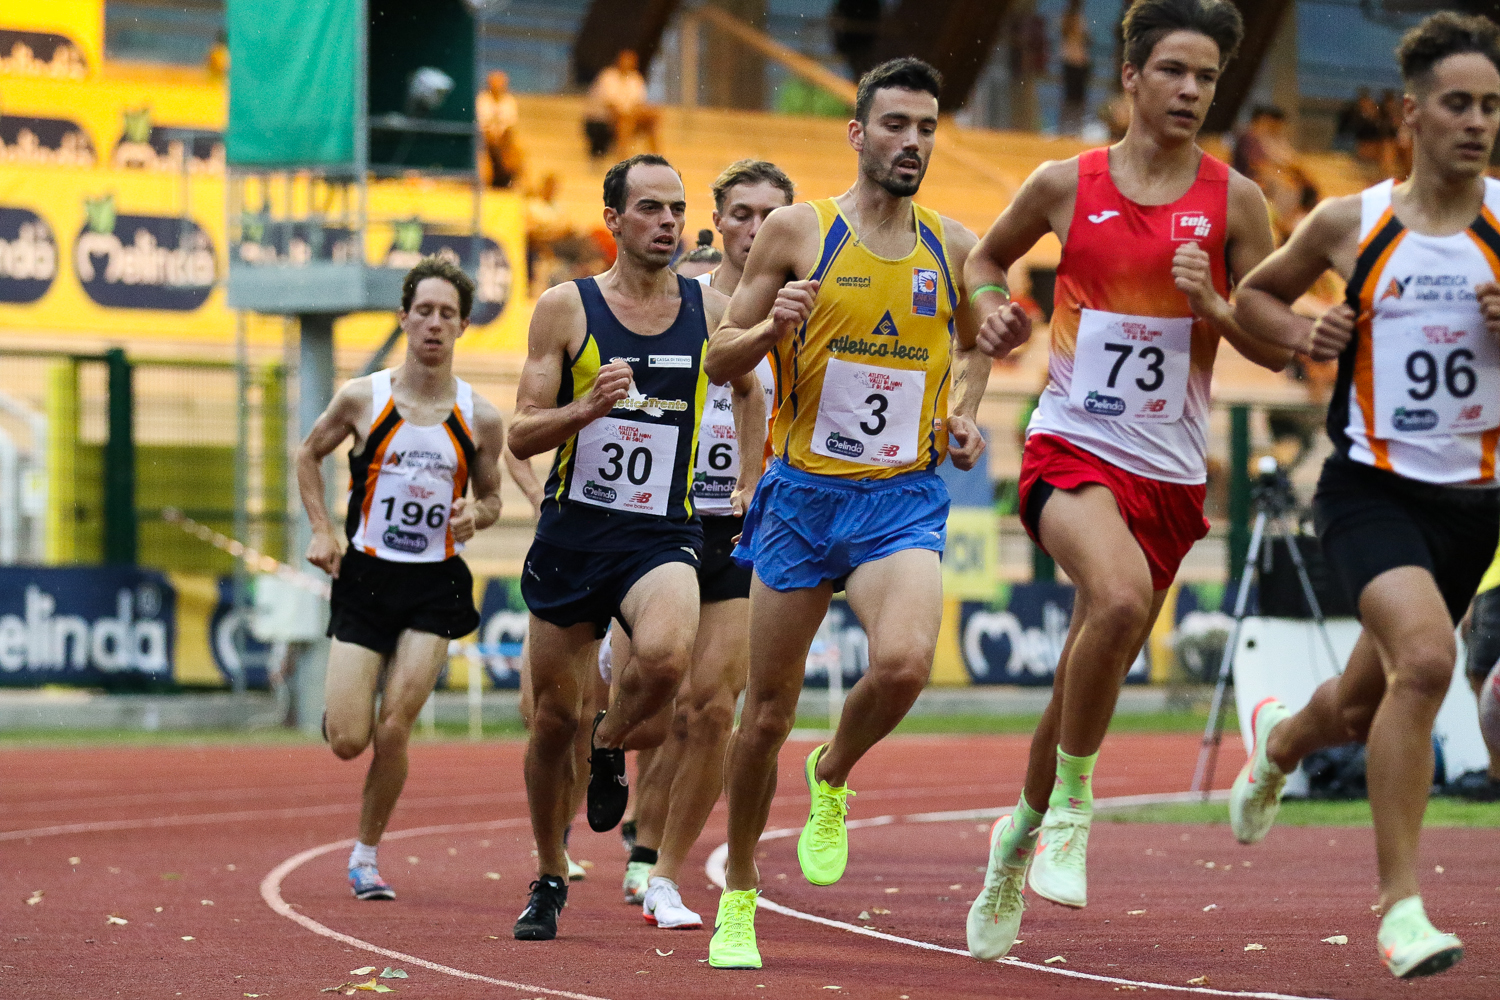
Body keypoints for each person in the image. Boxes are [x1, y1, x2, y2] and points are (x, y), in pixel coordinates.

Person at [960, 0, 1288, 963]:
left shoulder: (1237, 203)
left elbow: (1274, 348)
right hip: (1071, 443)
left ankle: (1015, 841)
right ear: (1132, 76)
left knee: (1085, 665)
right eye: (1174, 72)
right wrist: (991, 309)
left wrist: (1213, 303)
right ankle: (1072, 808)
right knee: (1114, 599)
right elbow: (985, 259)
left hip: (1170, 477)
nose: (1191, 91)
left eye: (1207, 79)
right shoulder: (1066, 183)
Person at [703, 58, 996, 970]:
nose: (913, 142)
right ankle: (740, 896)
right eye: (896, 124)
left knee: (903, 665)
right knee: (764, 718)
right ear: (858, 133)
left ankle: (832, 772)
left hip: (899, 499)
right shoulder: (799, 231)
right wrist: (771, 329)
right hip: (801, 496)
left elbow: (977, 345)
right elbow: (719, 358)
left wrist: (965, 414)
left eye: (927, 127)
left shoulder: (954, 246)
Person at [1229, 11, 1500, 979]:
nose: (1478, 122)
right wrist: (1302, 333)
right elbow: (1255, 295)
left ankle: (1279, 743)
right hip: (1370, 488)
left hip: (1476, 502)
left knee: (1358, 704)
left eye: (1492, 105)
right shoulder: (1353, 222)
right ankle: (1401, 909)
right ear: (1411, 113)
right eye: (1459, 103)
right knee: (1424, 661)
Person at [507, 153, 760, 942]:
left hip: (662, 533)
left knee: (667, 654)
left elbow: (750, 391)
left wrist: (749, 480)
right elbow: (520, 432)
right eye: (650, 208)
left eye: (677, 209)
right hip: (575, 534)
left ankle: (610, 741)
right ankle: (550, 872)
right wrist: (583, 410)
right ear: (613, 219)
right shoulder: (566, 309)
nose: (668, 222)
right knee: (552, 721)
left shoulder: (710, 310)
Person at [295, 257, 505, 901]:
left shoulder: (479, 416)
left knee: (395, 726)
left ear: (463, 326)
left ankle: (365, 855)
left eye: (447, 314)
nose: (434, 324)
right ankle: (343, 712)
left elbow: (493, 499)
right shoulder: (364, 398)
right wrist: (322, 530)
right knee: (348, 740)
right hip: (366, 577)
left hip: (435, 584)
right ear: (405, 318)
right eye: (424, 311)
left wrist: (476, 515)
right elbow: (308, 454)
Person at [619, 159, 791, 930]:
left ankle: (659, 867)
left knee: (710, 707)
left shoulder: (807, 309)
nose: (756, 229)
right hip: (657, 521)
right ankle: (631, 805)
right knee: (654, 703)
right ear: (715, 222)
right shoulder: (678, 299)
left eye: (772, 216)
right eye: (742, 214)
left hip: (747, 524)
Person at [1454, 548, 1500, 800]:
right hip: (1486, 585)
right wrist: (1469, 602)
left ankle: (1497, 775)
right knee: (1479, 675)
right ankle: (1496, 772)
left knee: (1488, 677)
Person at [583, 50, 661, 160]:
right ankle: (623, 156)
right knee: (624, 120)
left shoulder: (635, 79)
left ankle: (656, 157)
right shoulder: (608, 76)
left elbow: (638, 104)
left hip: (628, 118)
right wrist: (627, 115)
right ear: (618, 61)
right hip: (602, 119)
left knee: (651, 118)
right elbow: (610, 105)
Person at [478, 70, 522, 189]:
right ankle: (484, 184)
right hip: (485, 140)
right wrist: (492, 141)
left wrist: (502, 143)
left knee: (518, 152)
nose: (497, 87)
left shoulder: (509, 101)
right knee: (483, 156)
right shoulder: (482, 100)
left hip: (502, 141)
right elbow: (482, 127)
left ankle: (521, 185)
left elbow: (509, 127)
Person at [1059, 0, 1093, 136]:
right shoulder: (1070, 19)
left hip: (1078, 61)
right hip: (1072, 61)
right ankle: (1068, 128)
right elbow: (1068, 33)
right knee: (1072, 96)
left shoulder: (1077, 19)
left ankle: (1076, 128)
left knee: (1077, 97)